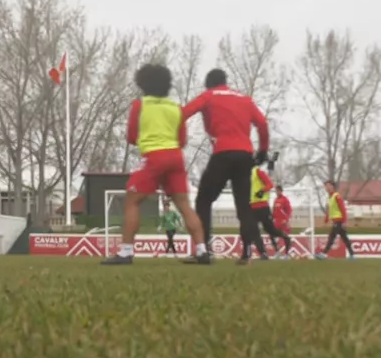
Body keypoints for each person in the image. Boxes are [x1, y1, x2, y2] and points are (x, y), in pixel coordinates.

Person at [103, 64, 210, 265]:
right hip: (176, 157)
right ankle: (202, 251)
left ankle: (126, 252)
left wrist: (148, 140)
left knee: (132, 201)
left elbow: (132, 136)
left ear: (143, 84)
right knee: (185, 205)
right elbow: (183, 140)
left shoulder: (140, 106)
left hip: (154, 157)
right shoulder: (176, 108)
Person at [182, 69, 270, 266]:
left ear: (208, 84)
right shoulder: (244, 99)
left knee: (204, 199)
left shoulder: (208, 96)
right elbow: (262, 124)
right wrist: (263, 150)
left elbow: (184, 113)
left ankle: (204, 249)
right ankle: (246, 253)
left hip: (223, 152)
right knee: (243, 204)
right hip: (245, 154)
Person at [250, 163, 293, 260]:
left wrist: (261, 191)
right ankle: (263, 253)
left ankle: (285, 238)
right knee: (253, 230)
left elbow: (269, 184)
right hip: (252, 207)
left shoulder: (258, 171)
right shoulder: (246, 174)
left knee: (270, 230)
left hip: (262, 206)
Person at [315, 179, 355, 260]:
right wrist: (326, 218)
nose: (326, 188)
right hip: (336, 220)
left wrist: (344, 220)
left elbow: (342, 208)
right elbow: (329, 209)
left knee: (332, 237)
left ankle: (324, 254)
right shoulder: (330, 197)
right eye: (325, 186)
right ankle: (352, 255)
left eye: (328, 186)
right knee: (344, 238)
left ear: (332, 186)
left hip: (339, 220)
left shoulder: (337, 196)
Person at [272, 184, 293, 258]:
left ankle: (287, 254)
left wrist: (286, 220)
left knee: (285, 237)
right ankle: (277, 252)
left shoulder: (285, 200)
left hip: (283, 222)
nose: (276, 192)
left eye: (278, 191)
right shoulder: (275, 200)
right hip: (277, 222)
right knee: (271, 235)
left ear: (281, 191)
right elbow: (274, 211)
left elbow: (289, 210)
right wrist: (271, 219)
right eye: (276, 191)